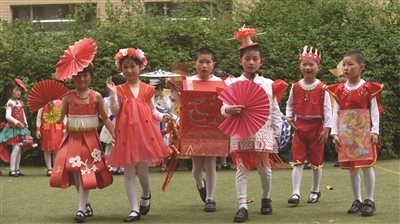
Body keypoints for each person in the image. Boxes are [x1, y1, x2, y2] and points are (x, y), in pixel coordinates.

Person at [221, 28, 286, 223]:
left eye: (255, 59)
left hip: (263, 132)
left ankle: (266, 198)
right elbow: (222, 108)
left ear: (261, 62)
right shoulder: (231, 83)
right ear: (240, 61)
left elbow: (275, 110)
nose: (251, 62)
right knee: (241, 169)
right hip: (240, 132)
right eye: (247, 58)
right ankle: (242, 206)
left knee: (264, 169)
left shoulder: (268, 84)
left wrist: (277, 132)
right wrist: (228, 110)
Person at [106, 47, 170, 222]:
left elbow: (152, 112)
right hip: (125, 135)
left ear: (140, 67)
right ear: (121, 68)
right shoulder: (118, 89)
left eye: (132, 66)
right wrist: (112, 95)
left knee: (142, 171)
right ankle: (134, 209)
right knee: (128, 171)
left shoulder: (148, 89)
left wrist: (164, 116)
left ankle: (146, 195)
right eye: (125, 66)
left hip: (144, 135)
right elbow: (116, 111)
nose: (129, 70)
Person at [49, 61, 115, 223]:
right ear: (73, 78)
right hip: (72, 139)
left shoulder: (96, 96)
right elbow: (58, 120)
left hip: (90, 140)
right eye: (78, 75)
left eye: (85, 75)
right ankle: (85, 204)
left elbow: (105, 118)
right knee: (75, 172)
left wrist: (115, 134)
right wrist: (52, 109)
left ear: (91, 77)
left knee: (85, 172)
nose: (82, 78)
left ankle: (81, 209)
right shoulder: (68, 97)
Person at [166, 47, 222, 213]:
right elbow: (184, 104)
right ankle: (200, 183)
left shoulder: (220, 82)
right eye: (201, 62)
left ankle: (210, 199)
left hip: (214, 129)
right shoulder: (188, 82)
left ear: (213, 64)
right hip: (194, 128)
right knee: (197, 168)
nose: (204, 65)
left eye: (208, 62)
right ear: (195, 64)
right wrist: (175, 90)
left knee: (211, 164)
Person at [327, 50, 383, 216]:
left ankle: (369, 199)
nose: (346, 67)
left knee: (366, 166)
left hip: (364, 132)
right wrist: (335, 133)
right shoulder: (338, 90)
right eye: (344, 64)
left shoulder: (368, 88)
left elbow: (374, 111)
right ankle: (357, 199)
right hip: (346, 133)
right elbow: (335, 112)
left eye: (350, 64)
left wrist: (375, 131)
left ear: (361, 67)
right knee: (352, 167)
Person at [285, 46, 332, 205]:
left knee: (316, 161)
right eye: (304, 64)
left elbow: (328, 109)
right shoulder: (295, 86)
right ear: (299, 66)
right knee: (298, 160)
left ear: (319, 67)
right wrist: (289, 117)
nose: (307, 67)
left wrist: (326, 129)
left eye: (311, 64)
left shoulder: (323, 88)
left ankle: (315, 189)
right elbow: (289, 104)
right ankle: (295, 193)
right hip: (299, 127)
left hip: (317, 127)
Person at [0, 78, 32, 177]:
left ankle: (17, 169)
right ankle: (12, 169)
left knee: (19, 148)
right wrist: (18, 122)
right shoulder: (10, 102)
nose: (18, 92)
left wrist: (26, 125)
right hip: (12, 129)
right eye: (16, 90)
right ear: (10, 91)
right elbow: (8, 116)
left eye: (20, 90)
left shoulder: (19, 103)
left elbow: (23, 115)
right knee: (16, 148)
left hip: (21, 129)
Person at [99, 73, 126, 175]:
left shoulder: (124, 98)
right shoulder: (105, 99)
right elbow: (102, 114)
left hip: (121, 123)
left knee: (122, 145)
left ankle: (121, 165)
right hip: (110, 124)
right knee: (110, 146)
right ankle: (110, 165)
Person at [36, 100, 66, 176]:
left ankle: (56, 167)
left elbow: (64, 116)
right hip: (47, 129)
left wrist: (65, 128)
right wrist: (38, 130)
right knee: (47, 149)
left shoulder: (60, 103)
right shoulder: (42, 103)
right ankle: (49, 168)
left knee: (56, 149)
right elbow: (39, 117)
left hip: (57, 129)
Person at [328, 60, 348, 167]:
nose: (342, 78)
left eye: (344, 76)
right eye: (340, 76)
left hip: (350, 117)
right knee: (338, 138)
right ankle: (340, 158)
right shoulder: (334, 90)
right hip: (337, 117)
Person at [213, 70, 232, 170]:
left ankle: (218, 163)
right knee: (221, 140)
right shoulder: (226, 86)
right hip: (221, 115)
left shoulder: (217, 86)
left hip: (221, 115)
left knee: (221, 140)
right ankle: (222, 163)